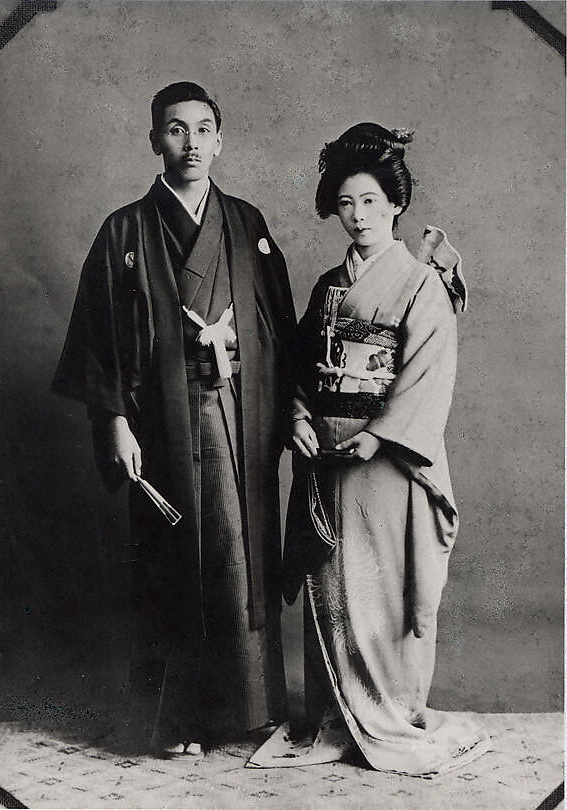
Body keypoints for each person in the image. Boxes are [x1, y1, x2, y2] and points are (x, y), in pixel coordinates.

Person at [52, 82, 295, 754]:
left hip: (236, 416)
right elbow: (99, 337)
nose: (191, 143)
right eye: (175, 129)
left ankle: (245, 710)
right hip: (158, 420)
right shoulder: (124, 230)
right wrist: (112, 421)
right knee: (171, 560)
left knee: (237, 556)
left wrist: (237, 349)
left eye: (204, 128)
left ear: (220, 138)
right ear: (154, 139)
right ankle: (179, 719)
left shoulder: (246, 223)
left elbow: (278, 326)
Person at [250, 123, 489, 776]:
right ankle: (333, 716)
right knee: (329, 587)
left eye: (371, 201)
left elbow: (426, 376)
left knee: (379, 592)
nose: (357, 215)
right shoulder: (330, 282)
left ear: (395, 204)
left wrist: (378, 436)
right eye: (346, 202)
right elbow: (300, 366)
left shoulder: (419, 285)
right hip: (325, 456)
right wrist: (297, 415)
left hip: (383, 462)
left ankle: (386, 709)